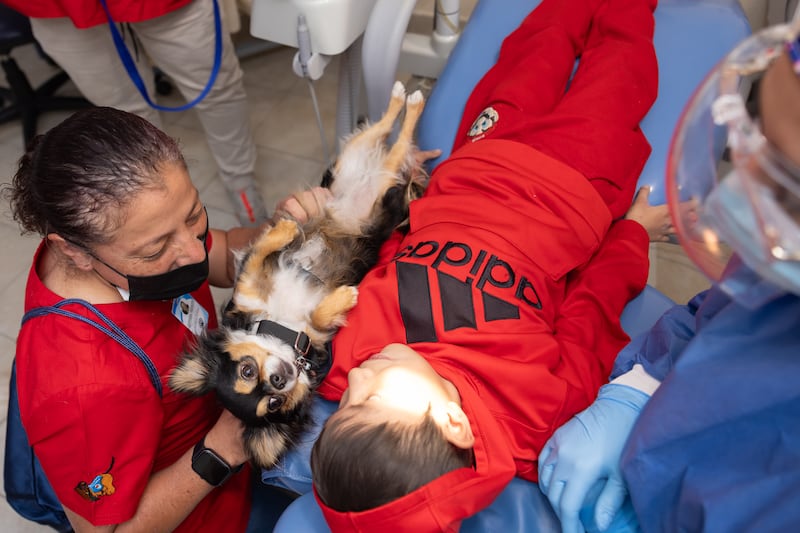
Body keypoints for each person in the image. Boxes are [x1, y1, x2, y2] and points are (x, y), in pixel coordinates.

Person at [303, 0, 658, 529]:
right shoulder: (538, 412)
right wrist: (634, 233)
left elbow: (388, 253)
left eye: (345, 402)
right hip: (573, 184)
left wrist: (402, 187)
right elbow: (593, 312)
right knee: (623, 63)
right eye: (369, 398)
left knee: (537, 44)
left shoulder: (350, 351)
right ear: (453, 423)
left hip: (477, 162)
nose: (355, 380)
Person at [1, 106, 329, 532]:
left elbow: (226, 256)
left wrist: (285, 231)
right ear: (73, 251)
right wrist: (222, 449)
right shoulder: (86, 386)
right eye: (155, 251)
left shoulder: (145, 227)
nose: (193, 251)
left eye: (193, 215)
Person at [537, 20, 800, 533]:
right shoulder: (781, 255)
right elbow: (721, 311)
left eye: (786, 187)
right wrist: (639, 383)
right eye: (760, 146)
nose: (733, 203)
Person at [3, 0, 270, 226]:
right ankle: (162, 201)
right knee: (123, 117)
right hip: (61, 7)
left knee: (217, 92)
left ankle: (241, 187)